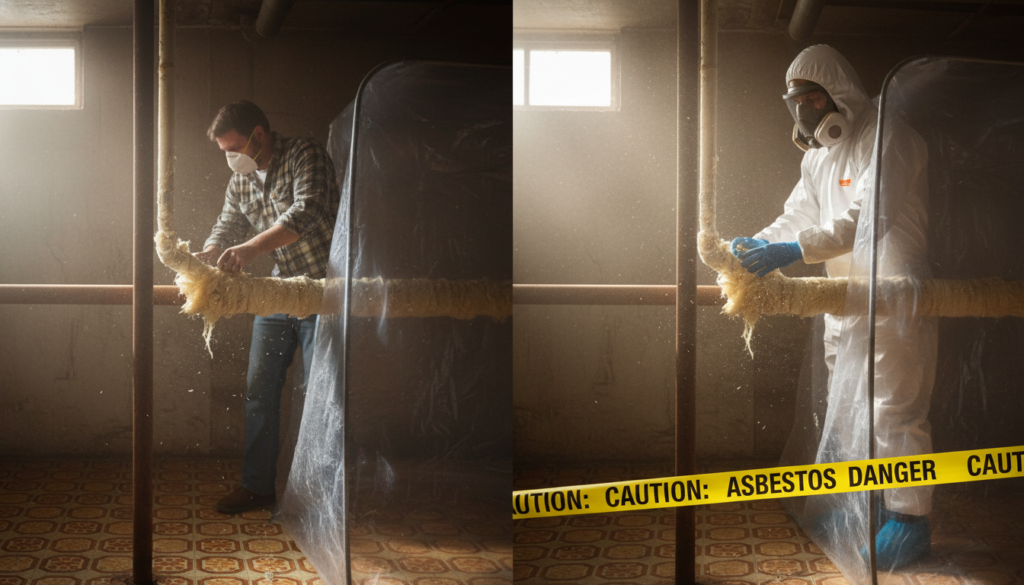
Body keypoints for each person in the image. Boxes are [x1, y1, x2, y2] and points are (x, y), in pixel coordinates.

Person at [731, 45, 937, 569]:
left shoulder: (890, 136)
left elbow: (869, 217)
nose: (805, 113)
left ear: (839, 94)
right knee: (845, 407)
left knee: (893, 408)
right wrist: (756, 244)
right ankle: (858, 504)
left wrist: (793, 251)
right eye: (796, 102)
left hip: (892, 296)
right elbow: (797, 215)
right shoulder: (817, 156)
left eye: (813, 98)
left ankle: (910, 522)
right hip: (842, 299)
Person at [196, 100, 340, 515]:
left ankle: (323, 495)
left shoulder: (304, 154)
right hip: (278, 293)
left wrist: (251, 248)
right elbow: (228, 223)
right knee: (260, 391)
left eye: (236, 147)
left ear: (260, 135)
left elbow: (306, 212)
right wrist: (210, 252)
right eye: (225, 150)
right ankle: (257, 486)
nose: (231, 157)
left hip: (323, 291)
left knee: (321, 396)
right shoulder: (240, 181)